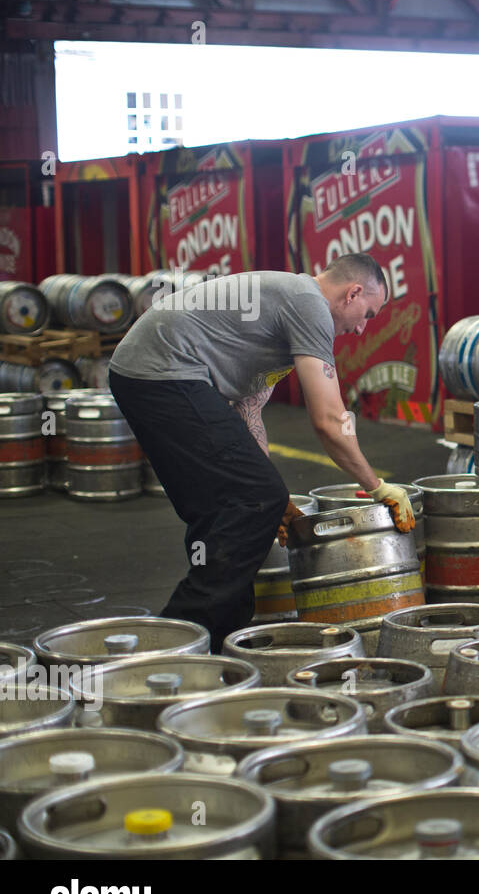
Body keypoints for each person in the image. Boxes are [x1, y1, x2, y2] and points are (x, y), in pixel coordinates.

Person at [107, 253, 415, 647]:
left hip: (145, 372)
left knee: (228, 507)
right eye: (367, 314)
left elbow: (248, 410)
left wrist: (274, 497)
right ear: (352, 293)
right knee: (252, 500)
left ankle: (219, 638)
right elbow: (330, 420)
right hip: (163, 372)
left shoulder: (282, 311)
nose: (360, 329)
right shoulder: (309, 304)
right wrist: (377, 487)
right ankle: (176, 641)